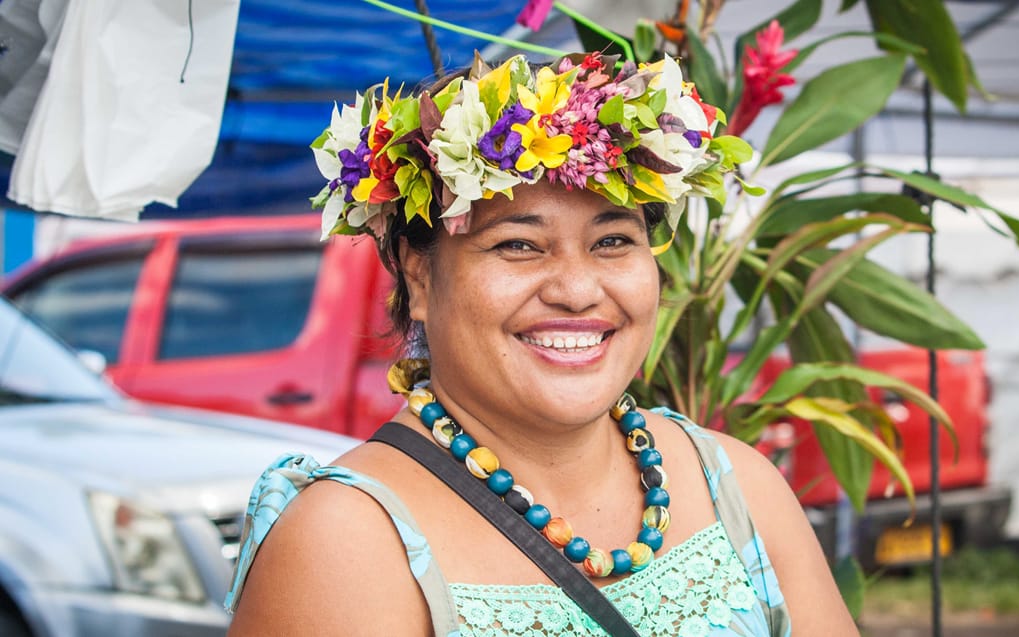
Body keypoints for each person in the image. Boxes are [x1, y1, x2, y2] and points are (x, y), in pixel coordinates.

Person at [225, 51, 857, 636]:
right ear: (419, 278)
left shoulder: (737, 486)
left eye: (613, 241)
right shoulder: (346, 542)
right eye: (518, 245)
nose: (578, 290)